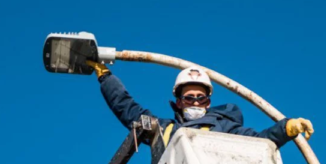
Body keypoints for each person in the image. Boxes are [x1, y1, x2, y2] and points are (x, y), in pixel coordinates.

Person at [85, 61, 314, 148]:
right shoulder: (167, 130)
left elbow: (260, 142)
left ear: (208, 102)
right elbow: (130, 111)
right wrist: (105, 77)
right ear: (178, 103)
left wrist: (286, 128)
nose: (195, 102)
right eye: (189, 98)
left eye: (200, 98)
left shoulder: (225, 127)